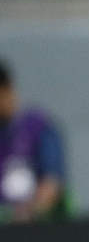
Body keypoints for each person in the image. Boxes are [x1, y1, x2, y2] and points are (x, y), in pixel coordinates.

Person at [0, 59, 68, 223]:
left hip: (36, 230)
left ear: (7, 90)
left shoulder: (38, 127)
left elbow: (52, 183)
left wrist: (30, 212)